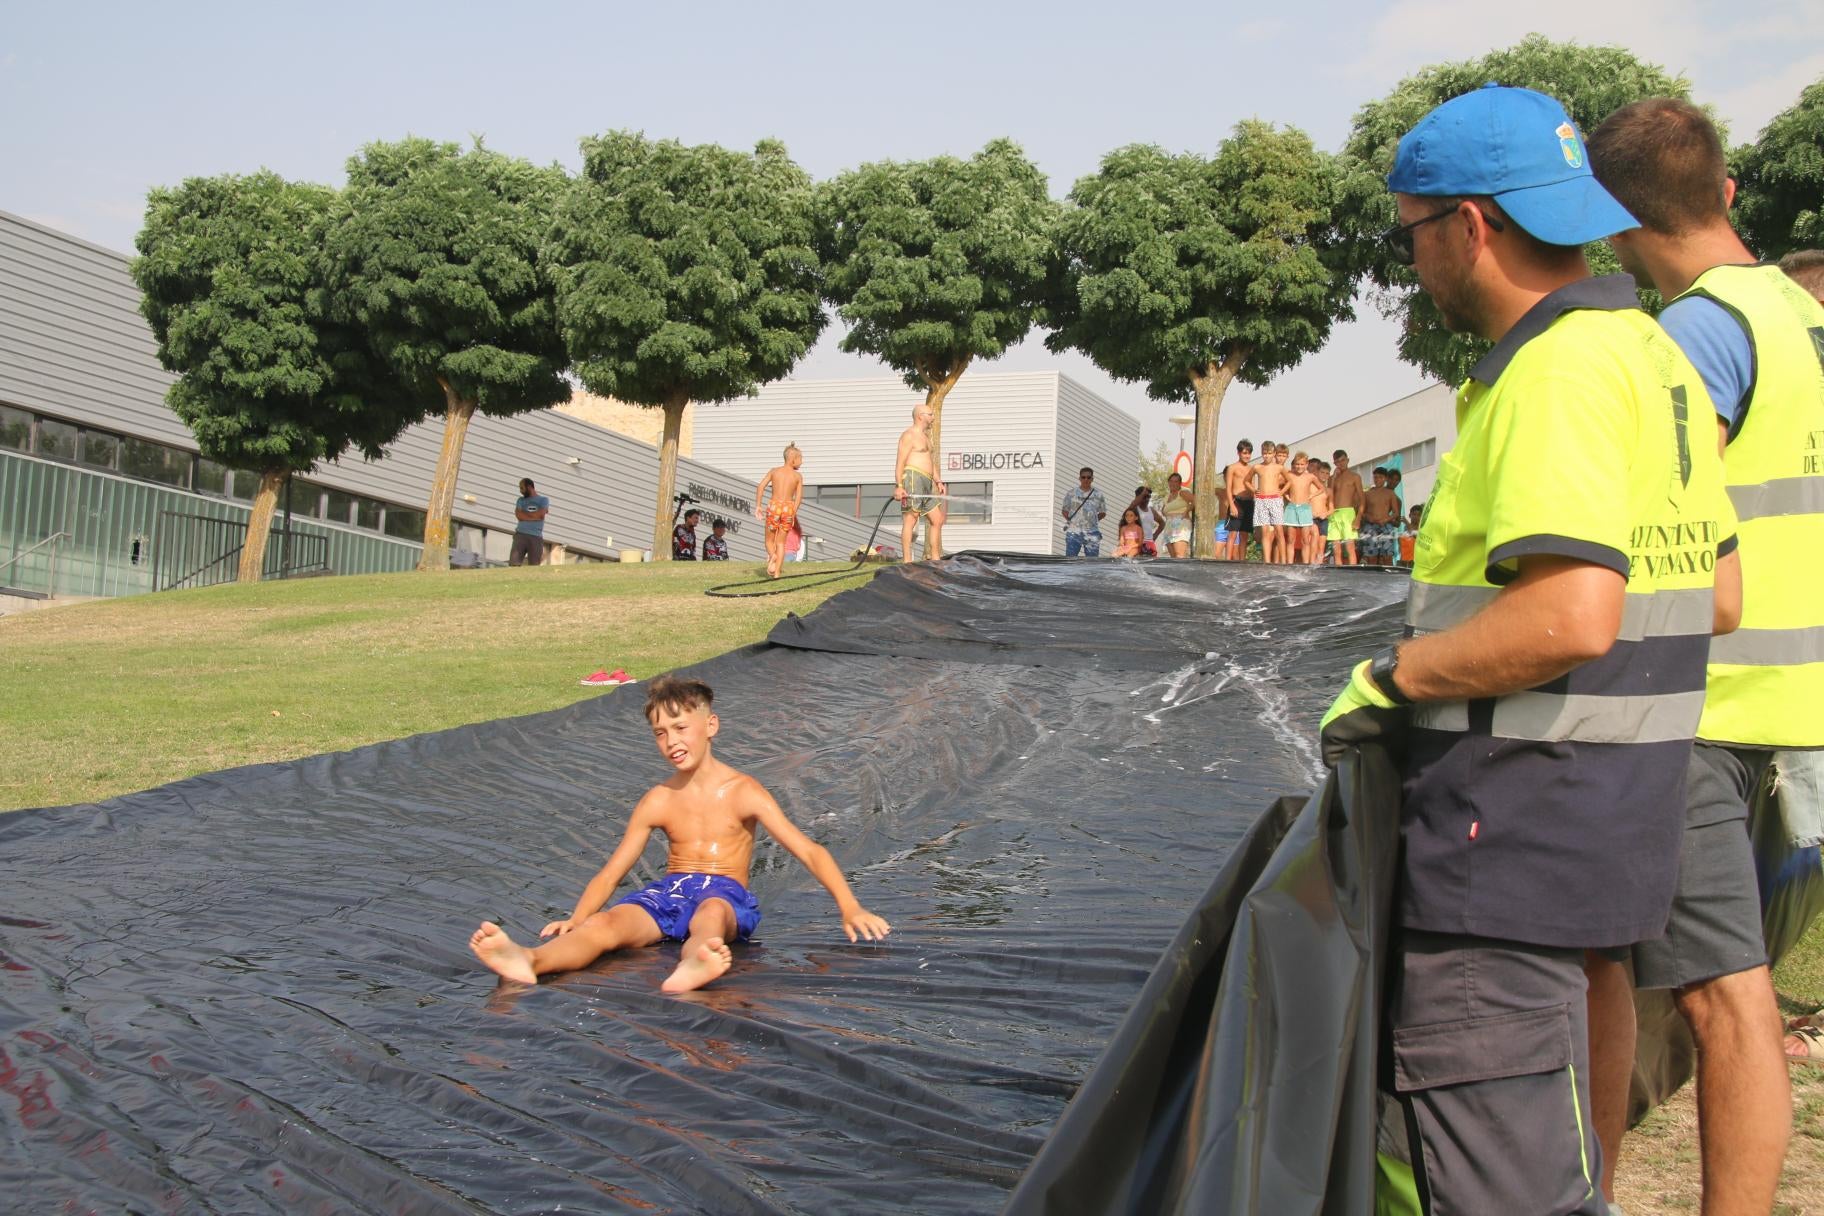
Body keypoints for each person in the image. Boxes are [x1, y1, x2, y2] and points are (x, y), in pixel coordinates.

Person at [1320, 84, 1739, 1216]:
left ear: (1470, 225)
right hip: (1613, 823)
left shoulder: (1552, 373)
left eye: (1412, 232)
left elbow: (1571, 617)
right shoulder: (1654, 357)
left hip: (1505, 839)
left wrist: (1390, 678)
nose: (1414, 262)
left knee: (1495, 1173)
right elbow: (1723, 592)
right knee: (1564, 1164)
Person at [1585, 96, 1824, 1212]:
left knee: (1711, 1002)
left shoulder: (1694, 333)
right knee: (1734, 992)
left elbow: (1678, 531)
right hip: (1800, 709)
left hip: (1708, 709)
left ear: (1610, 221)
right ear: (1727, 192)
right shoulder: (1795, 311)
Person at [469, 677, 891, 994]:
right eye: (660, 733)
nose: (671, 741)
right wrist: (578, 919)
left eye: (680, 727)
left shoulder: (744, 791)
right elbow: (613, 871)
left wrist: (849, 907)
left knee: (709, 915)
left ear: (710, 725)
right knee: (606, 924)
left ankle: (697, 962)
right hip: (669, 891)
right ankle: (529, 960)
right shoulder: (658, 799)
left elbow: (808, 850)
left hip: (724, 894)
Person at [893, 405, 947, 562]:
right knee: (911, 518)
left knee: (937, 520)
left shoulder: (926, 438)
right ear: (920, 416)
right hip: (912, 477)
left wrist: (938, 481)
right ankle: (907, 560)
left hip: (928, 481)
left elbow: (930, 461)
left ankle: (936, 558)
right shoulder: (908, 435)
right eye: (930, 414)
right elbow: (900, 462)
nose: (933, 417)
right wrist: (899, 486)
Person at [755, 444, 804, 580]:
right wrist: (793, 512)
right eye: (800, 458)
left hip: (774, 506)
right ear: (793, 459)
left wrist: (758, 506)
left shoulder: (774, 471)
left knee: (769, 541)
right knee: (781, 543)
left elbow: (760, 487)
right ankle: (777, 574)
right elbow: (798, 497)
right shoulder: (797, 476)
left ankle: (773, 556)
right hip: (788, 507)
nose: (802, 461)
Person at [1251, 441, 1289, 563]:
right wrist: (1253, 490)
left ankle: (1283, 561)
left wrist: (1282, 492)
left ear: (1274, 454)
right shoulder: (1257, 467)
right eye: (1264, 453)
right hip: (1261, 500)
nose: (1267, 456)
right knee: (1265, 532)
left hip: (1275, 500)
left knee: (1279, 530)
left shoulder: (1279, 467)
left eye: (1269, 453)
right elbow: (1247, 480)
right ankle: (1266, 561)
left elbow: (1290, 481)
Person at [1358, 468, 1400, 567]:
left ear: (1385, 479)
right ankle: (1373, 579)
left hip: (1385, 526)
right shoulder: (1367, 493)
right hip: (1370, 526)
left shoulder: (1390, 493)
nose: (1377, 479)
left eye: (1380, 477)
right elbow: (1361, 512)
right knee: (1371, 555)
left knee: (1387, 555)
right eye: (1375, 477)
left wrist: (1386, 519)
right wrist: (1368, 517)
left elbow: (1396, 513)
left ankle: (1389, 578)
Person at [1060, 467, 1106, 557]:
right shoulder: (1071, 493)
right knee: (1070, 560)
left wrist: (1092, 520)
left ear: (1092, 479)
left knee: (1092, 562)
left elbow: (1103, 512)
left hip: (1092, 532)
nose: (1086, 479)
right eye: (1083, 477)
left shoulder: (1098, 494)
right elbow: (1065, 511)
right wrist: (1073, 521)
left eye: (1088, 477)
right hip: (1074, 532)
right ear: (1079, 478)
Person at [1328, 450, 1363, 566]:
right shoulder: (1332, 478)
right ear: (1334, 463)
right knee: (1336, 549)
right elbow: (1329, 495)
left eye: (1343, 460)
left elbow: (1362, 499)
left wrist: (1358, 517)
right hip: (1334, 513)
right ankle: (1338, 571)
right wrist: (1333, 479)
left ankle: (1353, 571)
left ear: (1347, 460)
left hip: (1348, 513)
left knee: (1350, 547)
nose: (1341, 463)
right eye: (1337, 462)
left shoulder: (1355, 477)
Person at [1284, 452, 1320, 564]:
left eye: (1302, 464)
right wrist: (1286, 495)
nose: (1299, 467)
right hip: (1292, 508)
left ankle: (1305, 564)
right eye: (1297, 464)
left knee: (1305, 540)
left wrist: (1311, 496)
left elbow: (1321, 488)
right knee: (1290, 539)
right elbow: (1280, 486)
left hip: (1305, 508)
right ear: (1294, 464)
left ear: (1306, 464)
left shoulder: (1310, 477)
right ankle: (1289, 564)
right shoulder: (1289, 475)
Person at [1224, 440, 1255, 561]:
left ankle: (1242, 561)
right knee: (1232, 533)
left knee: (1244, 534)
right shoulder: (1232, 468)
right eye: (1244, 453)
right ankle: (1227, 560)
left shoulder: (1252, 468)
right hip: (1237, 501)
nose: (1247, 456)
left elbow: (1252, 485)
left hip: (1249, 502)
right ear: (1238, 453)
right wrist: (1231, 505)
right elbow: (1228, 488)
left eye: (1249, 453)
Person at [1156, 472, 1194, 558]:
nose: (1173, 483)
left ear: (1180, 483)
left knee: (1179, 555)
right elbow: (1164, 511)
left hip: (1180, 525)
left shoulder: (1183, 492)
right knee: (1173, 557)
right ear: (1168, 482)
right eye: (1171, 481)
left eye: (1176, 481)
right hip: (1169, 526)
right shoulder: (1167, 497)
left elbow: (1195, 501)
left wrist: (1186, 511)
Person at [511, 478, 549, 567]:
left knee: (534, 566)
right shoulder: (520, 500)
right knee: (514, 564)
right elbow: (519, 516)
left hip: (535, 537)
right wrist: (534, 515)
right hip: (520, 535)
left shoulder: (543, 500)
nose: (521, 491)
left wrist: (525, 515)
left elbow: (541, 515)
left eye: (522, 488)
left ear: (529, 487)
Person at [1309, 459, 1333, 566]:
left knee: (1322, 544)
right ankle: (1310, 564)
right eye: (1322, 472)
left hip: (1323, 519)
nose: (1324, 475)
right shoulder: (1311, 486)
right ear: (1317, 472)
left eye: (1327, 473)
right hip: (1312, 518)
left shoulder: (1329, 490)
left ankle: (1319, 565)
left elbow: (1332, 508)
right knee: (1314, 539)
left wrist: (1326, 514)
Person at [1128, 486, 1162, 557]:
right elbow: (1133, 503)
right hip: (1135, 544)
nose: (1147, 499)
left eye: (1149, 497)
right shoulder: (1134, 509)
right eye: (1145, 496)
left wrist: (1155, 535)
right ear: (1138, 497)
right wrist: (1143, 492)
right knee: (1135, 567)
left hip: (1149, 544)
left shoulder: (1151, 510)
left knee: (1150, 567)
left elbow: (1162, 523)